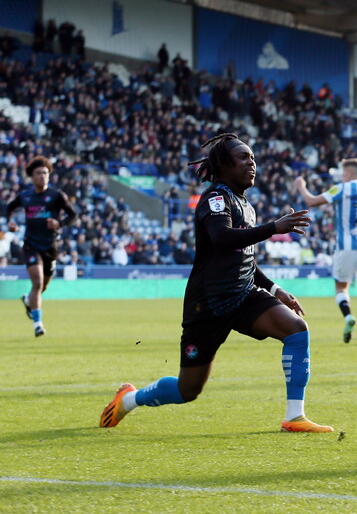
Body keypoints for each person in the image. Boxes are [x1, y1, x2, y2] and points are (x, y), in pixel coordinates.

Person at [100, 134, 332, 433]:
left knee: (296, 330)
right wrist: (274, 228)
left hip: (244, 295)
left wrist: (275, 289)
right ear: (223, 165)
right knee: (188, 390)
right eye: (244, 158)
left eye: (253, 157)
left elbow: (244, 257)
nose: (252, 163)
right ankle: (129, 400)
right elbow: (222, 238)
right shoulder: (215, 198)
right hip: (207, 303)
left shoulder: (246, 205)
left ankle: (294, 417)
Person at [295, 159, 357, 345]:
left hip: (345, 247)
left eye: (343, 172)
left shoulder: (341, 188)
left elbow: (311, 201)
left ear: (348, 173)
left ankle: (348, 316)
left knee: (341, 287)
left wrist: (301, 186)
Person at [6, 156, 77, 337]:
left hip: (50, 247)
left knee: (42, 286)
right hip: (31, 245)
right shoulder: (25, 196)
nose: (42, 176)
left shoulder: (56, 196)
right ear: (32, 177)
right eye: (38, 173)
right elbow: (8, 208)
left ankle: (29, 301)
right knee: (37, 283)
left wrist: (59, 223)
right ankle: (38, 323)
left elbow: (73, 215)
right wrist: (10, 221)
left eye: (45, 173)